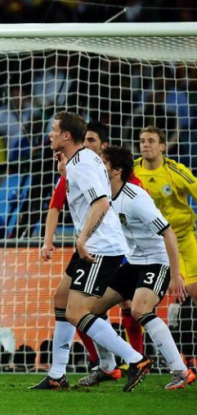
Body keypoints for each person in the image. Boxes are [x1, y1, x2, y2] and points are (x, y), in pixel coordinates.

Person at [31, 112, 150, 392]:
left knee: (77, 311)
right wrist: (64, 174)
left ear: (67, 136)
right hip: (96, 243)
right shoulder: (80, 160)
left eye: (54, 130)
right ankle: (57, 375)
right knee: (61, 299)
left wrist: (82, 239)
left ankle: (136, 360)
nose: (50, 134)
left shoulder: (81, 164)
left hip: (99, 247)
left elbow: (101, 204)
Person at [79, 146, 194, 390]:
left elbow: (169, 234)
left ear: (117, 171)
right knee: (88, 309)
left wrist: (175, 275)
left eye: (104, 163)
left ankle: (181, 371)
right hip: (133, 262)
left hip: (157, 261)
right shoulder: (104, 196)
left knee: (141, 310)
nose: (99, 166)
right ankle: (107, 366)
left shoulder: (135, 198)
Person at [134, 126, 197, 315]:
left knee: (195, 290)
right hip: (147, 244)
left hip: (181, 240)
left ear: (162, 146)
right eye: (143, 141)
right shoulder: (131, 171)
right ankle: (139, 345)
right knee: (137, 303)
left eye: (151, 141)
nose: (145, 145)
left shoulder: (176, 171)